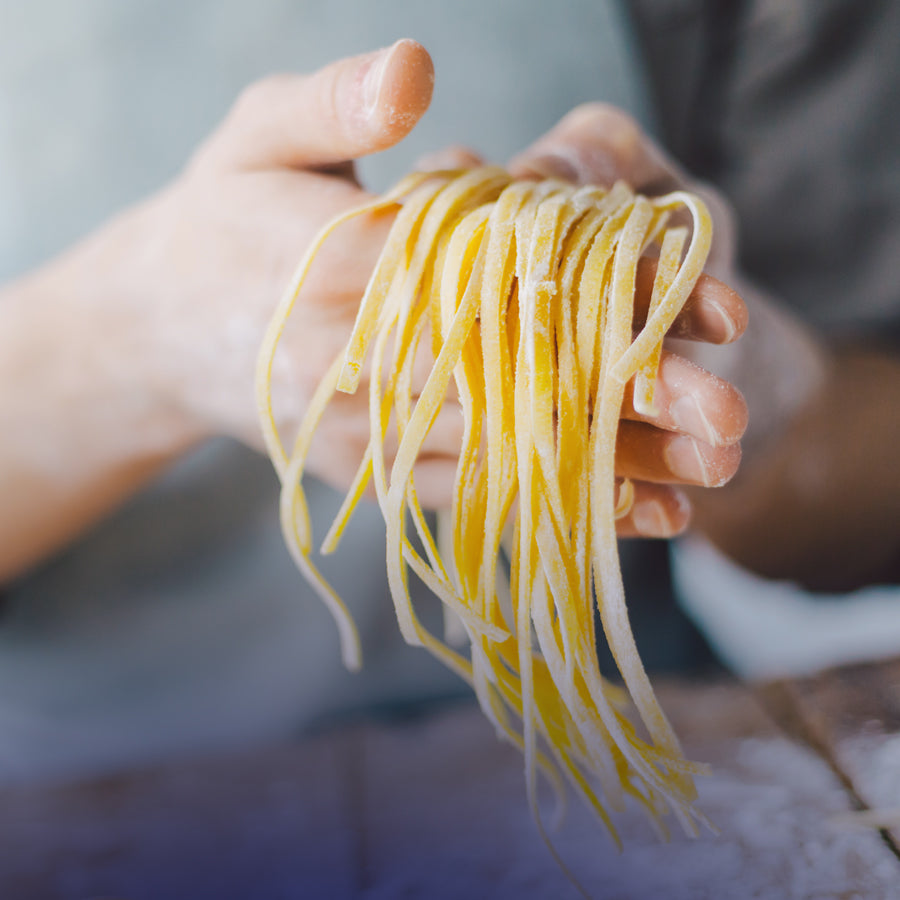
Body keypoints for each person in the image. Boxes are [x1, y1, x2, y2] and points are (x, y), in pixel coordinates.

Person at [1, 0, 897, 780]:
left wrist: (773, 409)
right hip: (79, 799)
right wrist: (130, 341)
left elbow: (873, 506)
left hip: (618, 743)